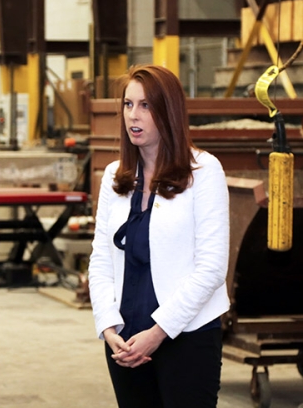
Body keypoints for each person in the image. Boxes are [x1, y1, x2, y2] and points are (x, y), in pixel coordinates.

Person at [87, 64, 230, 408]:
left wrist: (158, 333)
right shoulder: (114, 176)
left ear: (169, 111)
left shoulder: (204, 171)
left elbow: (211, 267)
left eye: (146, 106)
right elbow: (101, 259)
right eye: (128, 104)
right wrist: (108, 328)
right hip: (125, 339)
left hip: (187, 336)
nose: (133, 115)